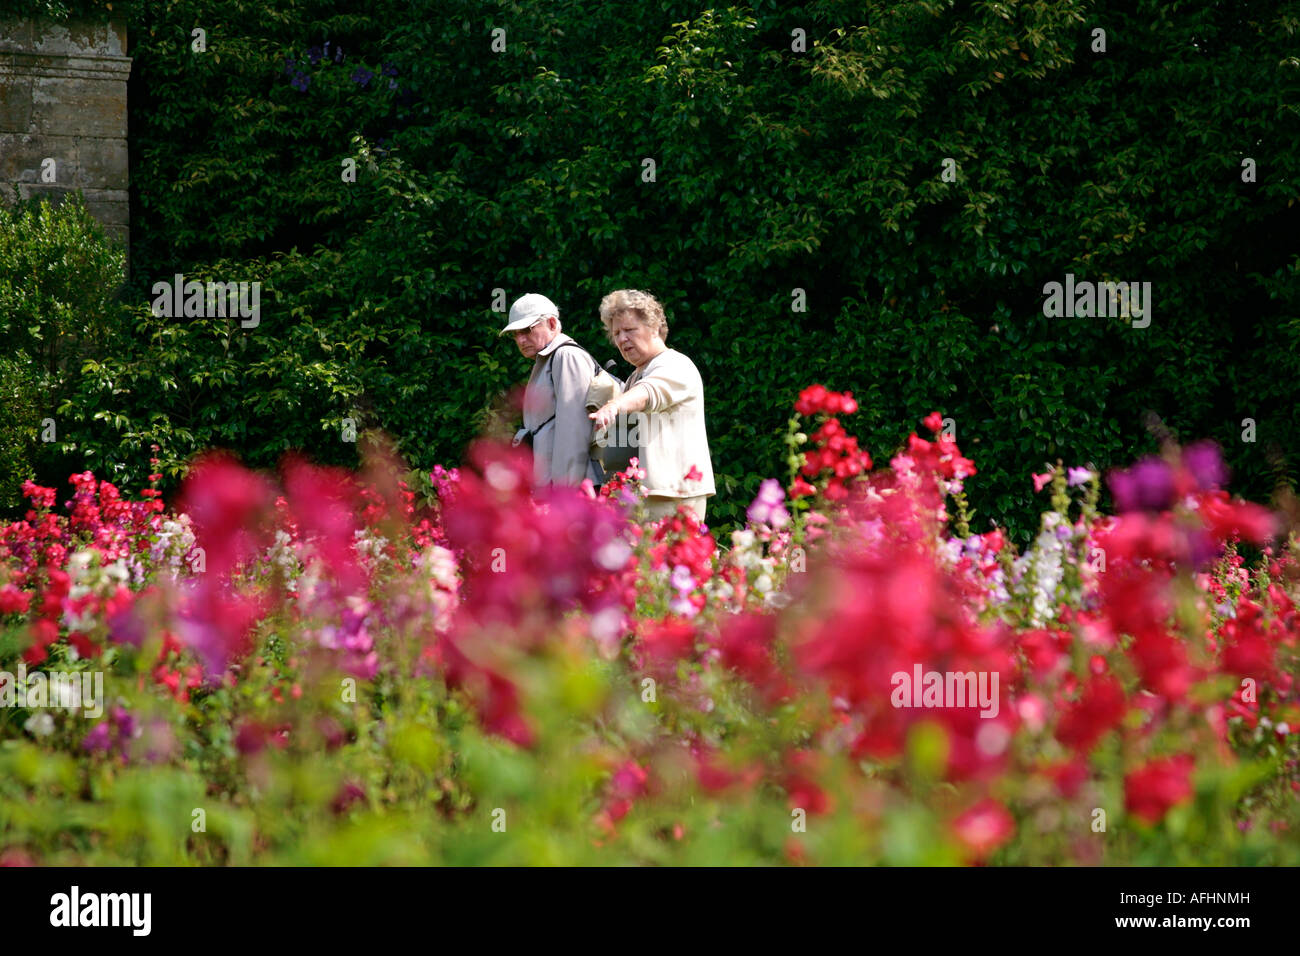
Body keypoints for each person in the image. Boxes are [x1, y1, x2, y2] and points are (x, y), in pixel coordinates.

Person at [588, 289, 715, 521]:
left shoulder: (674, 364)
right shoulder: (636, 376)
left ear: (655, 328)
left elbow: (649, 394)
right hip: (643, 496)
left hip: (671, 496)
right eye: (616, 333)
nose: (621, 339)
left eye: (629, 330)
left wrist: (614, 406)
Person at [501, 293, 604, 489]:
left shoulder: (566, 355)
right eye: (515, 334)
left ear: (552, 323)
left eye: (527, 330)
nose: (521, 340)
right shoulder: (549, 358)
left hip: (573, 489)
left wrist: (565, 494)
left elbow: (574, 430)